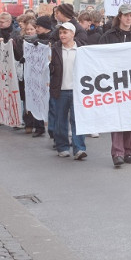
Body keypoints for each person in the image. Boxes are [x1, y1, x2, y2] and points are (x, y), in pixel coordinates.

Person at [101, 4, 131, 167]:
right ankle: (117, 152)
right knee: (117, 117)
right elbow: (100, 56)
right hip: (115, 82)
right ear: (120, 16)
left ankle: (128, 151)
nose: (129, 18)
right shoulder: (108, 35)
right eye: (126, 15)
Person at [49, 22, 87, 159]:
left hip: (78, 90)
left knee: (78, 120)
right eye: (60, 33)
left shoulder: (82, 49)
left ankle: (79, 149)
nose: (62, 35)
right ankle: (62, 146)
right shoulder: (55, 49)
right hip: (61, 90)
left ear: (73, 34)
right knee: (60, 121)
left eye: (65, 32)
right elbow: (49, 69)